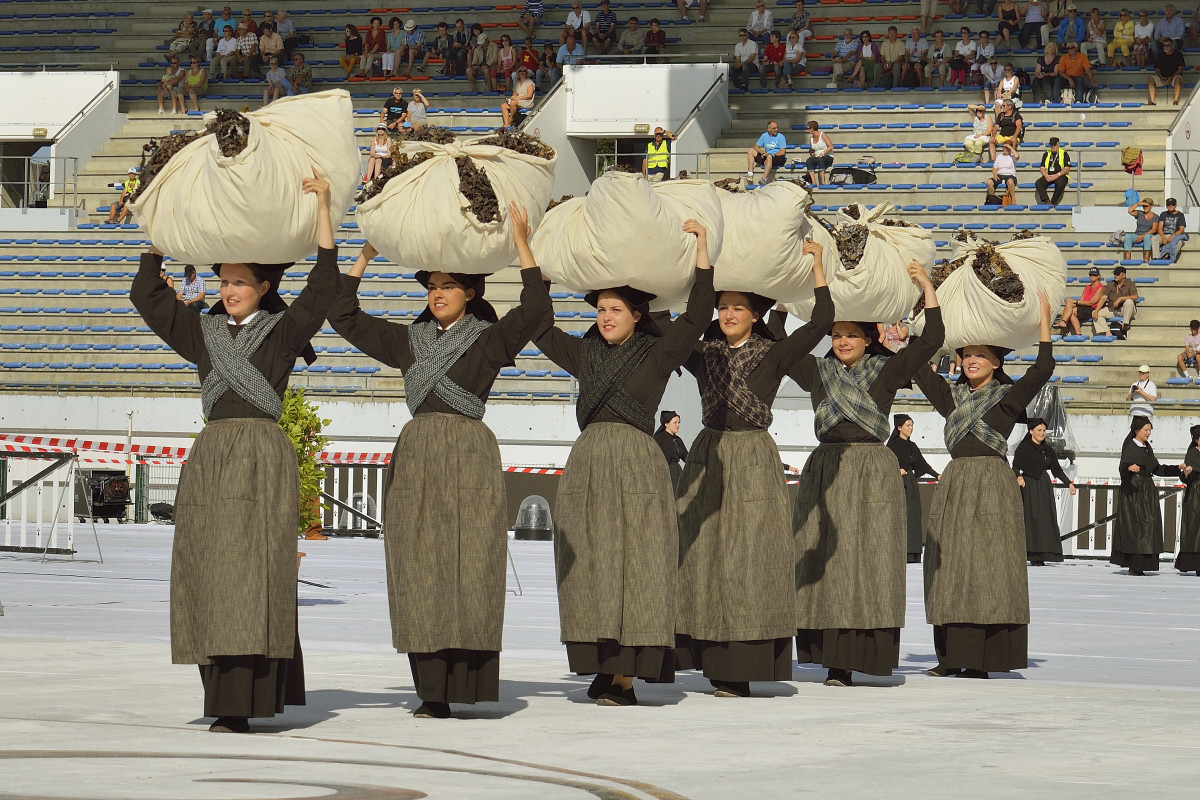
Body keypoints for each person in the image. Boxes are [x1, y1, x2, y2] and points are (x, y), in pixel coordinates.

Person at [130, 168, 337, 734]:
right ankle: (218, 688)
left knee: (256, 571)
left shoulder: (286, 330)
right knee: (209, 571)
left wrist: (322, 207)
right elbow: (147, 296)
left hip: (262, 457)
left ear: (264, 286)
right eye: (224, 281)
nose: (228, 289)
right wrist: (160, 228)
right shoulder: (202, 331)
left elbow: (323, 287)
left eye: (240, 281)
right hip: (212, 458)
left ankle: (247, 700)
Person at [327, 205, 551, 719]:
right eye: (432, 286)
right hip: (417, 455)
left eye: (448, 286)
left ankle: (466, 684)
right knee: (419, 566)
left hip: (470, 454)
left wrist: (521, 244)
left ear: (471, 293)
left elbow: (536, 310)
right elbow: (343, 316)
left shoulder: (490, 340)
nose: (437, 292)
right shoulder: (408, 341)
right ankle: (431, 691)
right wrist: (364, 253)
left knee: (470, 566)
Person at [534, 221, 715, 708]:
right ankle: (604, 662)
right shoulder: (583, 353)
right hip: (588, 462)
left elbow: (699, 314)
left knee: (636, 565)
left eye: (615, 309)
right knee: (591, 564)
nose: (605, 316)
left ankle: (626, 677)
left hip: (637, 464)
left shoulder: (658, 354)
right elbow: (538, 325)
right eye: (599, 309)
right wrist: (537, 264)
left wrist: (701, 250)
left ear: (637, 315)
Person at [674, 245, 831, 698]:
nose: (727, 314)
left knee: (748, 560)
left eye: (737, 307)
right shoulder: (702, 353)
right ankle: (706, 658)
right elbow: (666, 326)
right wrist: (697, 259)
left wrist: (817, 267)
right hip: (708, 454)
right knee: (704, 556)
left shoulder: (774, 353)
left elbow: (820, 323)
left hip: (754, 459)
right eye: (722, 307)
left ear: (755, 314)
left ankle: (743, 665)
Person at [790, 264, 944, 687]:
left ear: (869, 338)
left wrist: (927, 288)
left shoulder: (888, 370)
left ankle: (862, 653)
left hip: (871, 473)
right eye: (837, 334)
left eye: (851, 335)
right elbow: (778, 346)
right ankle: (832, 659)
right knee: (826, 563)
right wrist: (786, 293)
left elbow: (931, 340)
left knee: (868, 563)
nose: (842, 341)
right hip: (826, 469)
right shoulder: (816, 371)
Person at [913, 293, 1054, 679]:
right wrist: (924, 304)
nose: (971, 360)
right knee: (950, 568)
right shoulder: (951, 397)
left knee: (988, 569)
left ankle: (984, 659)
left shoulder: (1008, 399)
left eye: (980, 355)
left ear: (996, 362)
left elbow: (1042, 368)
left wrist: (1043, 318)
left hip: (993, 484)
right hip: (956, 483)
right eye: (966, 354)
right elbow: (918, 368)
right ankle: (949, 657)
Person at [1113, 417, 1189, 575]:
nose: (1148, 433)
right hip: (1133, 492)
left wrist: (1177, 468)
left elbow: (1157, 469)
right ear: (1136, 430)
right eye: (1146, 430)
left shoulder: (1147, 447)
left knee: (1149, 527)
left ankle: (1145, 563)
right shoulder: (1130, 446)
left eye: (1150, 430)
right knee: (1137, 529)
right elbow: (1122, 468)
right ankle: (1135, 565)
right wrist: (1129, 468)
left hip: (1147, 491)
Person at [1013, 418, 1075, 566]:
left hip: (1044, 485)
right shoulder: (1024, 448)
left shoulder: (1047, 449)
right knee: (1032, 517)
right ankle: (1032, 553)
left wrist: (1069, 484)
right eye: (1039, 430)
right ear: (1031, 431)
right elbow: (1015, 466)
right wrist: (1019, 476)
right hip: (1030, 486)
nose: (1042, 433)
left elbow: (1056, 470)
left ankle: (1044, 552)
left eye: (1043, 431)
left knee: (1045, 518)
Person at [886, 414, 939, 564]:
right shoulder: (892, 446)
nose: (911, 428)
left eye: (912, 425)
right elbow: (885, 464)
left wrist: (937, 475)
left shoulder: (912, 445)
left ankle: (915, 552)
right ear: (899, 428)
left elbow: (923, 464)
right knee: (904, 516)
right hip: (898, 486)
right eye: (908, 425)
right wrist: (896, 470)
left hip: (910, 485)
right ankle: (904, 552)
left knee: (915, 516)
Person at [1176, 425, 1200, 575]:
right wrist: (1187, 473)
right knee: (1195, 528)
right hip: (1196, 494)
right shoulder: (1192, 454)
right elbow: (1187, 477)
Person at [1053, 266, 1105, 335]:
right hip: (1084, 307)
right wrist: (1071, 301)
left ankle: (1065, 324)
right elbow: (1081, 300)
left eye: (1094, 275)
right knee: (1069, 304)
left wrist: (1075, 301)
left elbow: (1091, 302)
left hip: (1092, 309)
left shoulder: (1100, 288)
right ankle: (1070, 327)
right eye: (1090, 275)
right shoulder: (1087, 287)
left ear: (1099, 276)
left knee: (1071, 311)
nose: (1092, 276)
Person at [1094, 265, 1139, 338]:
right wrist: (1096, 310)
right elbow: (1104, 297)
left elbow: (1135, 297)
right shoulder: (1111, 284)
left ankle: (1125, 324)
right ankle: (1107, 332)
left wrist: (1121, 298)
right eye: (1114, 274)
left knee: (1129, 302)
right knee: (1096, 313)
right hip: (1113, 309)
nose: (1115, 276)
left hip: (1126, 309)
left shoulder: (1130, 283)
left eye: (1117, 274)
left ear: (1123, 275)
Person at [653, 411, 688, 488]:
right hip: (664, 473)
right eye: (675, 423)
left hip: (677, 473)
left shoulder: (678, 440)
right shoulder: (658, 438)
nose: (677, 425)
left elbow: (687, 458)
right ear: (666, 424)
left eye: (678, 423)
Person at [1035, 137, 1071, 207]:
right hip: (1049, 175)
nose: (1053, 147)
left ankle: (1053, 201)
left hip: (1060, 175)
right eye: (1051, 145)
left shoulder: (1064, 153)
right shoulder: (1046, 153)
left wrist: (1057, 175)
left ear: (1058, 145)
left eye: (1054, 145)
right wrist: (1046, 175)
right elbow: (1042, 167)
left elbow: (1067, 168)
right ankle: (1047, 200)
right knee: (1038, 183)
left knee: (1060, 183)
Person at [1153, 197, 1188, 262]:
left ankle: (1170, 257)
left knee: (1179, 243)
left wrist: (1173, 236)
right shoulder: (1163, 214)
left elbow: (1182, 230)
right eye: (1169, 205)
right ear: (1166, 206)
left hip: (1175, 235)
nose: (1171, 206)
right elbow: (1160, 228)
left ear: (1176, 205)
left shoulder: (1180, 215)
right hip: (1164, 234)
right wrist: (1163, 237)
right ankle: (1156, 258)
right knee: (1154, 238)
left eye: (1173, 204)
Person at [802, 120, 832, 186]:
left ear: (812, 129)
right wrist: (812, 153)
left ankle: (823, 182)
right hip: (817, 156)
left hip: (827, 155)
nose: (807, 130)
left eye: (808, 128)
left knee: (820, 159)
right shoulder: (811, 139)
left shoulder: (822, 135)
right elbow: (812, 149)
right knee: (809, 160)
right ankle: (813, 181)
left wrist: (823, 153)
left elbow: (831, 146)